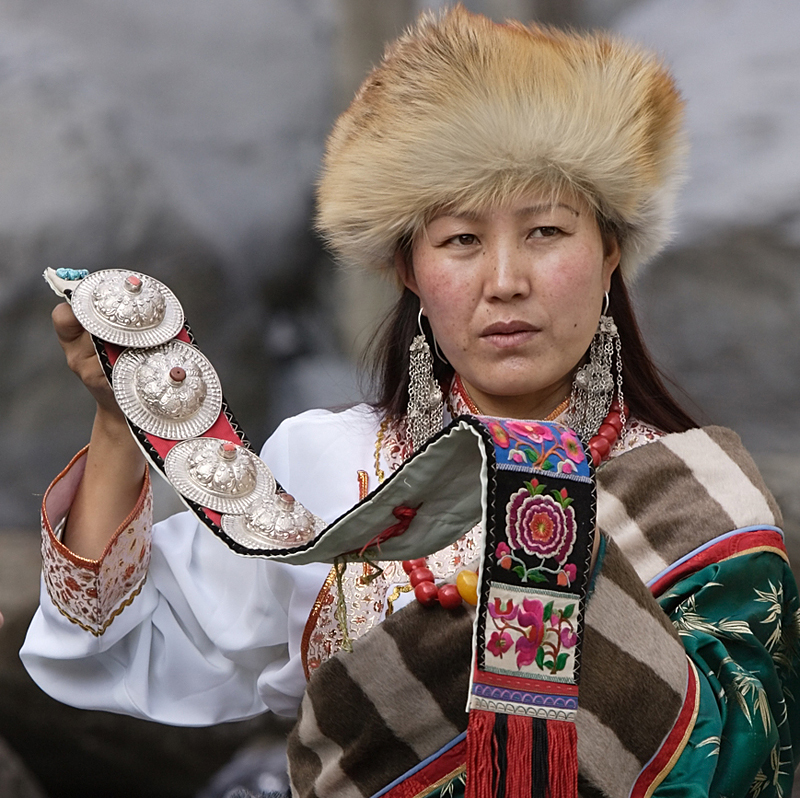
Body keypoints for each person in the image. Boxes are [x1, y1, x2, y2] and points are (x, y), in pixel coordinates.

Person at [20, 7, 800, 798]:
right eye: (461, 240)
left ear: (609, 252)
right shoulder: (325, 469)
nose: (505, 281)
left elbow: (747, 766)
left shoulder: (699, 502)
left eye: (545, 232)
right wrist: (119, 418)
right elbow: (103, 642)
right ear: (408, 269)